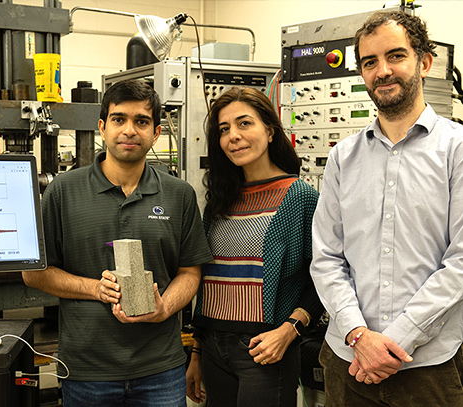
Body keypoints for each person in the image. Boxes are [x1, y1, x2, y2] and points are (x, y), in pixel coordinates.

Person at [22, 79, 213, 407]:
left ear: (155, 133)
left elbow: (190, 271)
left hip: (161, 369)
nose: (129, 130)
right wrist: (94, 288)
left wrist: (164, 307)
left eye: (141, 121)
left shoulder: (179, 194)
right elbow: (34, 273)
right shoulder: (62, 192)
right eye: (118, 119)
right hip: (87, 370)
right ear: (102, 127)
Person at [310, 10, 463, 406]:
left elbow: (461, 262)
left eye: (395, 56)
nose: (382, 71)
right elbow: (326, 257)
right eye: (369, 62)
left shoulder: (457, 150)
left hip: (430, 365)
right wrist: (359, 335)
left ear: (424, 62)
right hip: (348, 360)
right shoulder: (343, 156)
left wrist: (394, 342)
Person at [186, 87, 323, 407]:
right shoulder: (219, 201)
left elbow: (324, 278)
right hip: (213, 350)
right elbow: (209, 281)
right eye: (224, 129)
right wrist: (197, 350)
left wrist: (290, 330)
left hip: (264, 349)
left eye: (244, 123)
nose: (233, 136)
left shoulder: (300, 197)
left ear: (271, 130)